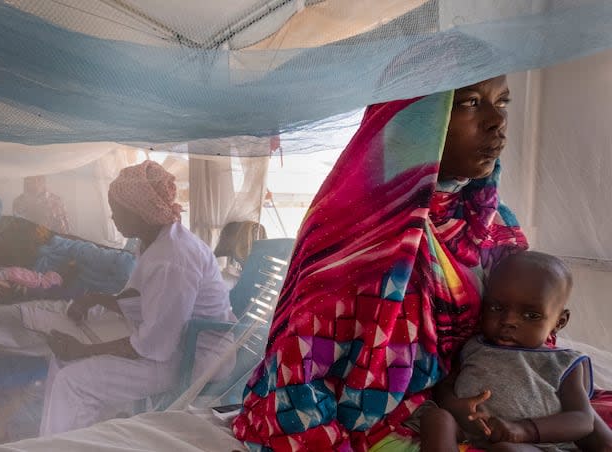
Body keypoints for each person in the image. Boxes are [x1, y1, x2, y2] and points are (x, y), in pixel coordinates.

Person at [232, 76, 612, 451]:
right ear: (415, 116)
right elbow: (302, 364)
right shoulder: (354, 228)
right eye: (469, 103)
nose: (497, 120)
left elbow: (530, 341)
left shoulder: (494, 222)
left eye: (504, 102)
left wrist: (512, 417)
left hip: (482, 409)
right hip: (395, 417)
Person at [38, 160, 236, 435]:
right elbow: (142, 298)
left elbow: (154, 344)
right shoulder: (158, 240)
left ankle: (67, 442)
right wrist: (97, 298)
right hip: (177, 343)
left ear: (140, 212)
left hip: (196, 358)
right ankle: (64, 438)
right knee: (62, 360)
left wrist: (83, 351)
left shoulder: (172, 259)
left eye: (117, 211)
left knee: (73, 382)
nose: (113, 218)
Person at [415, 251, 596, 451]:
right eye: (496, 308)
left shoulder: (564, 362)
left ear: (559, 322)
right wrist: (454, 405)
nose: (508, 321)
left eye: (531, 315)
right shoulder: (474, 346)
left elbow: (582, 420)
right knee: (435, 418)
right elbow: (445, 384)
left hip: (534, 445)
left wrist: (523, 430)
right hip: (470, 430)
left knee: (507, 449)